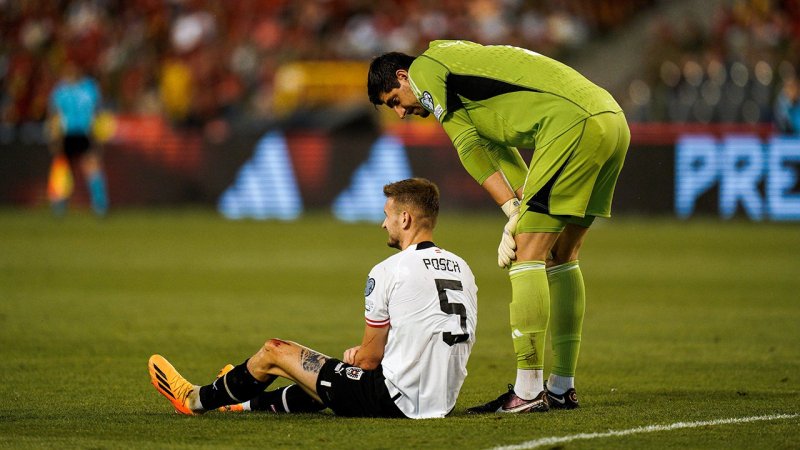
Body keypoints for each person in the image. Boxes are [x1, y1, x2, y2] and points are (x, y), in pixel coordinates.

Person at [367, 40, 630, 413]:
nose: (401, 113)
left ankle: (527, 390)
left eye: (394, 99)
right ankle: (561, 386)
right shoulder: (460, 69)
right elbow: (499, 149)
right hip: (610, 118)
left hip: (570, 125)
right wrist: (518, 205)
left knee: (528, 254)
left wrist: (510, 210)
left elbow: (468, 145)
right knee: (563, 256)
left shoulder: (425, 69)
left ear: (402, 75)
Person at [148, 178, 479, 419]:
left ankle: (194, 399)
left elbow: (369, 361)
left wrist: (358, 356)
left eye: (387, 215)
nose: (383, 224)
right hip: (442, 401)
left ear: (404, 219)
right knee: (324, 375)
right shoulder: (463, 268)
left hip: (395, 401)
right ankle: (243, 400)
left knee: (275, 351)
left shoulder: (390, 270)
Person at [47, 60, 109, 216]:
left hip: (81, 133)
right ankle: (62, 203)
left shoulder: (64, 90)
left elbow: (54, 114)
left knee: (87, 167)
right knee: (67, 168)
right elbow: (55, 115)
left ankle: (99, 204)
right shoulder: (86, 88)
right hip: (71, 133)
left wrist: (98, 134)